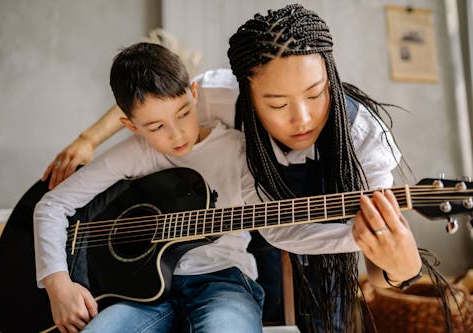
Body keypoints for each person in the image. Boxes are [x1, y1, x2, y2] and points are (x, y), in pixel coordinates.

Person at [40, 5, 432, 333]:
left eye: (316, 94)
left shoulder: (365, 139)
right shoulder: (215, 98)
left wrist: (397, 262)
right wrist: (89, 139)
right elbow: (153, 102)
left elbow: (380, 267)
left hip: (284, 247)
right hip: (172, 268)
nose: (302, 118)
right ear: (246, 97)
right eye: (277, 104)